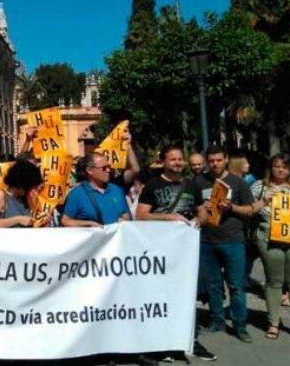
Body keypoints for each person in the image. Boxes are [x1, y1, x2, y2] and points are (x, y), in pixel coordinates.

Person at [133, 144, 217, 362]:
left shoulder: (192, 185)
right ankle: (159, 344)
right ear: (163, 161)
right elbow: (141, 216)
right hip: (159, 251)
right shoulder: (153, 185)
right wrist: (167, 218)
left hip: (185, 252)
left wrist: (201, 218)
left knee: (187, 296)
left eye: (180, 159)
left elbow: (202, 212)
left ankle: (187, 340)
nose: (178, 163)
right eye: (173, 159)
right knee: (160, 296)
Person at [250, 153, 290, 343]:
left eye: (284, 167)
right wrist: (264, 200)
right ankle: (273, 323)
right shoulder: (259, 186)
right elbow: (248, 209)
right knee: (274, 281)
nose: (280, 170)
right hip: (268, 239)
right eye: (277, 166)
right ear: (271, 168)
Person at [193, 145, 255, 343]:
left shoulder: (238, 183)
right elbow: (192, 207)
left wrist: (231, 207)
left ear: (226, 159)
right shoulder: (199, 181)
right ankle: (217, 320)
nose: (215, 164)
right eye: (211, 161)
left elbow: (250, 210)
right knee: (213, 285)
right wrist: (201, 208)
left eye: (219, 160)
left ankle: (240, 326)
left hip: (233, 240)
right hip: (207, 240)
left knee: (236, 286)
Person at [61, 152, 130, 227]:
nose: (108, 170)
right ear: (90, 170)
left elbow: (125, 214)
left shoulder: (116, 190)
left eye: (109, 167)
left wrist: (124, 221)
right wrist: (88, 224)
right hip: (93, 238)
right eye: (104, 168)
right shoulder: (77, 194)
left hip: (116, 238)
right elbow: (65, 221)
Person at [0, 160, 47, 228]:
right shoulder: (2, 195)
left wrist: (41, 220)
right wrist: (17, 220)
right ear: (21, 185)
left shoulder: (26, 198)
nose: (31, 190)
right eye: (30, 187)